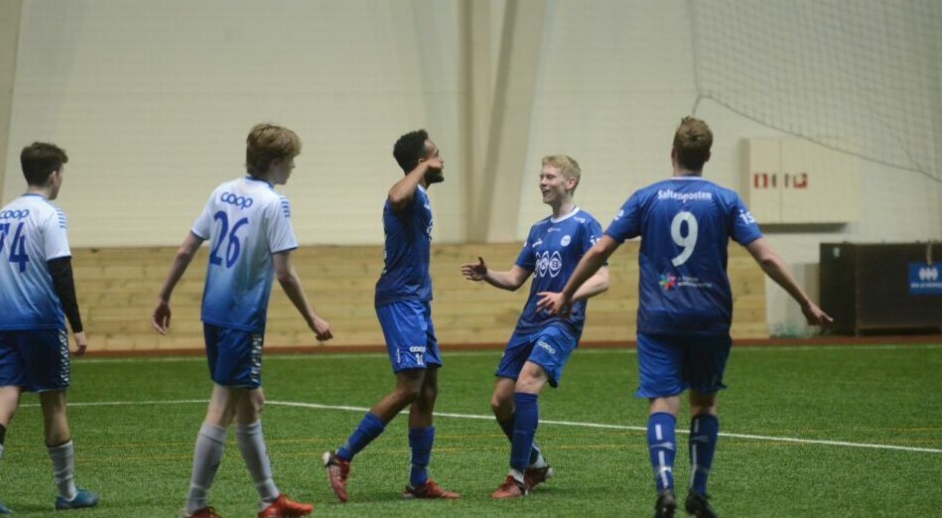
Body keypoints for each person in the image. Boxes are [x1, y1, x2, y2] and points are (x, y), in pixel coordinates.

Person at [537, 117, 833, 518]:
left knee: (663, 402)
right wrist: (805, 302)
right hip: (710, 317)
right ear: (707, 156)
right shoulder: (725, 200)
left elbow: (600, 250)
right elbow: (765, 256)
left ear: (672, 153)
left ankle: (665, 490)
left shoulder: (646, 198)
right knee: (704, 404)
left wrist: (567, 293)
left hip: (660, 317)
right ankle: (698, 491)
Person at [152, 123, 333, 518]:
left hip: (214, 313)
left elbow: (185, 249)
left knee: (251, 403)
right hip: (241, 318)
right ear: (275, 162)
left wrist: (164, 296)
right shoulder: (274, 204)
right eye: (291, 161)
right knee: (221, 407)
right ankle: (194, 506)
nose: (293, 168)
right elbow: (284, 273)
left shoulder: (222, 191)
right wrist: (312, 318)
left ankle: (270, 500)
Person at [322, 129, 459, 503]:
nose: (442, 160)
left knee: (427, 391)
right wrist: (421, 168)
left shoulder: (422, 197)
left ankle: (418, 482)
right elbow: (396, 195)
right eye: (435, 154)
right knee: (409, 388)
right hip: (400, 300)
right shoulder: (406, 194)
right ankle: (341, 457)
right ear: (421, 162)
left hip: (417, 301)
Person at [461, 155, 610, 499]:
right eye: (541, 176)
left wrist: (566, 295)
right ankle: (537, 464)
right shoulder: (538, 230)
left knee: (527, 383)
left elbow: (602, 279)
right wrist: (487, 275)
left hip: (562, 323)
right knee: (500, 401)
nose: (542, 182)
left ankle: (517, 478)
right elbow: (515, 279)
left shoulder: (586, 225)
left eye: (550, 177)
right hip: (528, 323)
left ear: (570, 182)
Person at [0, 142, 99, 513]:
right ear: (53, 175)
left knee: (4, 398)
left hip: (1, 321)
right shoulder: (50, 215)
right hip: (39, 321)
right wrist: (77, 327)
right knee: (54, 403)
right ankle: (68, 493)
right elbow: (60, 271)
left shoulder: (2, 215)